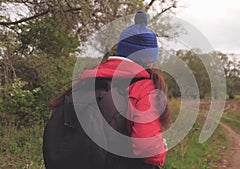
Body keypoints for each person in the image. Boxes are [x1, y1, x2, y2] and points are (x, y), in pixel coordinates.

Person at [43, 11, 170, 169]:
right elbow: (148, 148)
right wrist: (161, 150)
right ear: (149, 59)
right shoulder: (143, 87)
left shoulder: (88, 80)